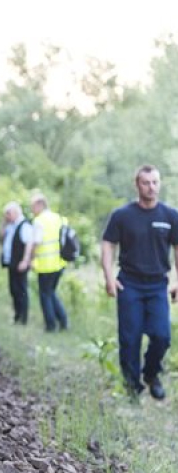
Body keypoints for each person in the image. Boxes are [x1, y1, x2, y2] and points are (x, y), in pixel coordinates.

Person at [101, 165, 178, 401]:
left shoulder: (170, 216)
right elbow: (107, 244)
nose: (151, 187)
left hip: (157, 285)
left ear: (160, 184)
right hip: (130, 284)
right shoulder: (122, 215)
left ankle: (152, 374)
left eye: (155, 182)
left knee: (162, 336)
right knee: (130, 338)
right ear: (137, 184)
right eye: (146, 182)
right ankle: (133, 387)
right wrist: (109, 276)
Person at [30, 194, 68, 332]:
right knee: (51, 292)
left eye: (33, 206)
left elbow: (36, 242)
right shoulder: (59, 218)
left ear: (40, 205)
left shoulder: (39, 221)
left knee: (45, 295)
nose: (32, 210)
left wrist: (31, 259)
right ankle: (63, 321)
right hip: (59, 263)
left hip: (45, 264)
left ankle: (50, 325)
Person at [0, 201, 34, 325]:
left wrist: (25, 261)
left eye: (8, 214)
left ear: (15, 212)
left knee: (21, 290)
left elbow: (29, 244)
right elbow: (2, 237)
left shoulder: (24, 225)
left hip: (20, 263)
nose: (7, 217)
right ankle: (17, 315)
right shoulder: (11, 225)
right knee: (14, 290)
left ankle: (23, 318)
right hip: (11, 263)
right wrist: (4, 222)